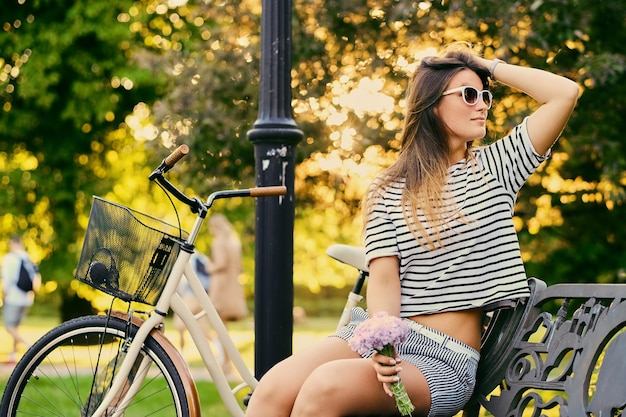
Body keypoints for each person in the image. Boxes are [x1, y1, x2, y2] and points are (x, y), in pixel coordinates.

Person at [244, 44, 579, 417]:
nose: (482, 104)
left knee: (325, 388)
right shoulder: (388, 188)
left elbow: (564, 93)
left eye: (485, 96)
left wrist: (483, 65)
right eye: (468, 94)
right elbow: (384, 280)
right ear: (433, 103)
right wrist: (385, 344)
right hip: (383, 341)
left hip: (444, 358)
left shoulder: (497, 167)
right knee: (272, 389)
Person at [206, 213, 248, 375]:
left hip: (221, 285)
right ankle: (226, 362)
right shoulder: (234, 241)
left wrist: (210, 267)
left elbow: (221, 263)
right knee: (223, 326)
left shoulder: (219, 241)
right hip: (232, 283)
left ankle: (225, 363)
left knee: (218, 325)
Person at [2, 235, 41, 364]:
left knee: (9, 327)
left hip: (14, 297)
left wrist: (4, 294)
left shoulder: (10, 258)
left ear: (12, 244)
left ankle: (29, 346)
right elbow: (36, 277)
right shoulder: (28, 257)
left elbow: (8, 279)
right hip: (27, 298)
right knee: (16, 327)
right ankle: (12, 356)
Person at [173, 250, 212, 350]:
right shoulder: (202, 257)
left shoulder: (186, 257)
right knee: (203, 330)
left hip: (190, 296)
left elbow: (183, 281)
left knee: (180, 325)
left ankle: (182, 354)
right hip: (203, 297)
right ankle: (219, 354)